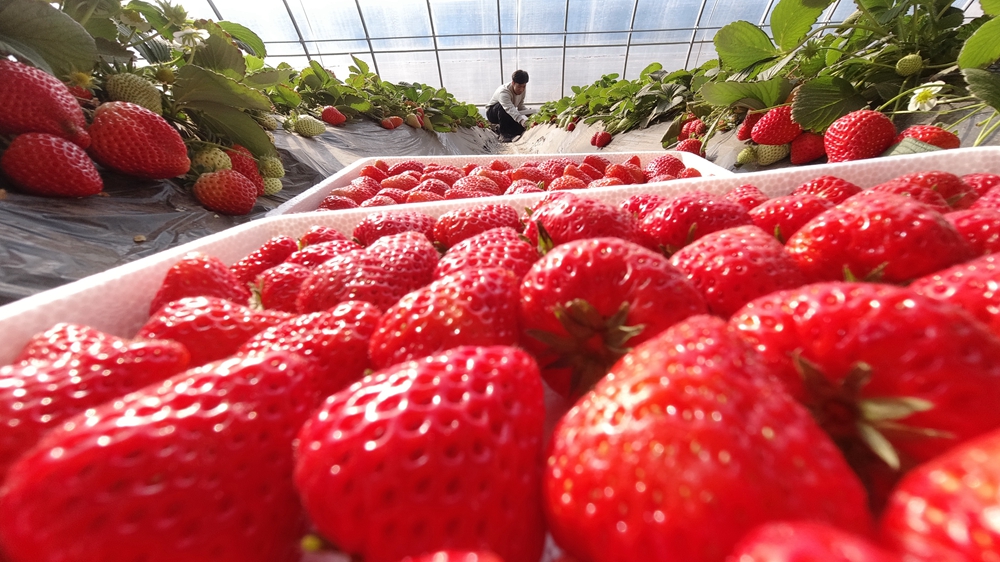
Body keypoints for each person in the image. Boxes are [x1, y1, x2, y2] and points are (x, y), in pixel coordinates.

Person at [486, 70, 532, 142]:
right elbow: (509, 108)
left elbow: (520, 106)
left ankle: (499, 129)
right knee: (502, 107)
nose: (522, 89)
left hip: (507, 114)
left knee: (521, 129)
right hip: (493, 113)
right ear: (513, 83)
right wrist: (521, 120)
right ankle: (504, 135)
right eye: (519, 86)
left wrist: (529, 113)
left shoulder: (523, 90)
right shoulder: (504, 92)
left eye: (524, 86)